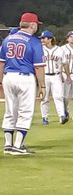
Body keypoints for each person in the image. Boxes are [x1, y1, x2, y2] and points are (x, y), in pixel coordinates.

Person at [1, 12, 46, 156]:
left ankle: (8, 144)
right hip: (25, 78)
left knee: (10, 111)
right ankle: (18, 145)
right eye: (36, 24)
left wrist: (0, 81)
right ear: (32, 25)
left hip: (8, 76)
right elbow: (38, 67)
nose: (37, 27)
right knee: (25, 112)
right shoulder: (34, 42)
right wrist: (42, 86)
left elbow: (1, 62)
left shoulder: (7, 39)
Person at [39, 31, 66, 125]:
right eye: (41, 38)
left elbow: (64, 63)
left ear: (50, 39)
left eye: (44, 38)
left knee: (58, 96)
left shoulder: (59, 50)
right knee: (44, 97)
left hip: (56, 75)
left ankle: (62, 116)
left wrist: (65, 75)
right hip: (44, 75)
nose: (42, 40)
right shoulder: (40, 49)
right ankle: (44, 117)